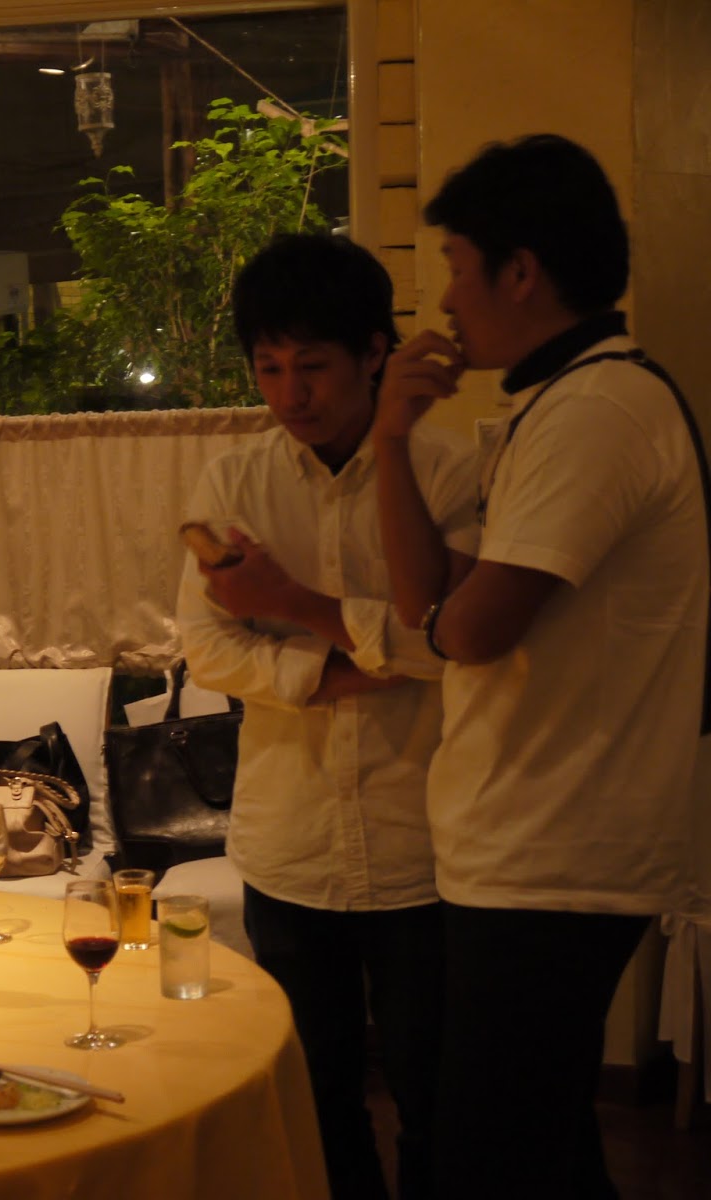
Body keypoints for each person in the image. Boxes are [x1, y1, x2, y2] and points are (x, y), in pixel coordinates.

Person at [373, 134, 708, 1199]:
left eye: (456, 266)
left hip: (555, 850)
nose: (445, 299)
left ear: (520, 271)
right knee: (543, 1152)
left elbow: (471, 630)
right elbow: (427, 601)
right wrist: (391, 440)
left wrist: (442, 620)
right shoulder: (554, 404)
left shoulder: (597, 407)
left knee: (490, 1163)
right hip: (525, 843)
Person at [177, 233, 479, 1200]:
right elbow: (207, 649)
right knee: (316, 1103)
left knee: (438, 1103)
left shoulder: (449, 472)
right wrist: (346, 668)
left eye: (311, 366)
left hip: (425, 847)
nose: (289, 393)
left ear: (373, 353)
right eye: (269, 368)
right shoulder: (234, 481)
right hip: (291, 847)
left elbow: (457, 643)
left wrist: (293, 607)